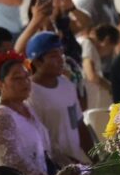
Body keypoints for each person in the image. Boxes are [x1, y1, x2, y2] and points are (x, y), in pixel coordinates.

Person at [0, 53, 55, 175]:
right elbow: (12, 159)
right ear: (0, 84)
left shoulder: (26, 107)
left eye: (27, 76)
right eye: (17, 78)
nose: (25, 82)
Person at [26, 32, 92, 166]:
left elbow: (78, 123)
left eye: (61, 54)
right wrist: (67, 163)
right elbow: (38, 140)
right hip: (52, 168)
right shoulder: (29, 93)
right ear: (37, 61)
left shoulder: (66, 84)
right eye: (53, 56)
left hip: (77, 163)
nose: (61, 59)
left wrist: (95, 158)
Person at [79, 23, 119, 112]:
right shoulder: (88, 44)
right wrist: (111, 88)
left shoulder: (92, 48)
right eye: (111, 48)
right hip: (85, 100)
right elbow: (91, 75)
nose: (109, 53)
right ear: (107, 40)